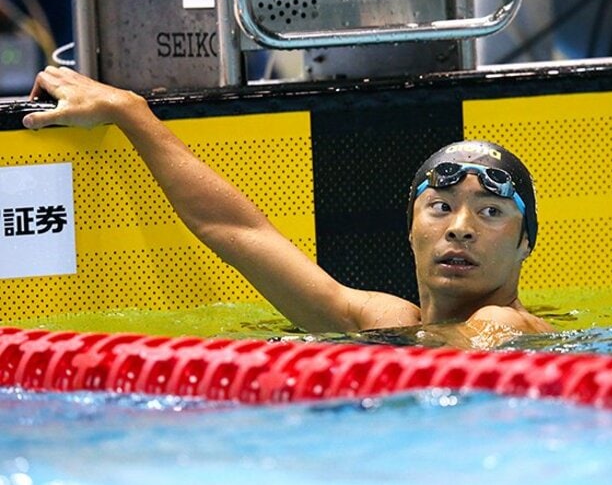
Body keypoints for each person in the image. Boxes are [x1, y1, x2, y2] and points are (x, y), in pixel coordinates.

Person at [22, 66, 554, 348]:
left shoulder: (506, 326)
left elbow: (472, 349)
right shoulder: (384, 319)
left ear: (526, 240)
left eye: (490, 212)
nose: (459, 228)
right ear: (410, 229)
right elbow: (235, 228)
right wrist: (130, 111)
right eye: (439, 207)